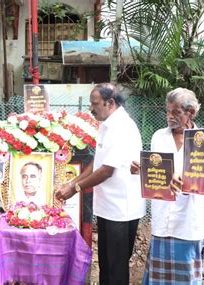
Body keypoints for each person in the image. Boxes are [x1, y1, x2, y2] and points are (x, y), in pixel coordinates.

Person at [55, 83, 146, 285]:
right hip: (107, 208)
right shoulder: (107, 124)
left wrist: (75, 188)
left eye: (95, 104)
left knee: (116, 268)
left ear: (110, 102)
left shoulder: (122, 127)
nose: (91, 108)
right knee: (106, 264)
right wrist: (73, 181)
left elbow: (106, 170)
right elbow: (98, 163)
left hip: (122, 210)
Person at [131, 88, 204, 284]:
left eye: (176, 112)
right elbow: (156, 173)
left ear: (190, 112)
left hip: (187, 221)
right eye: (168, 111)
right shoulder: (159, 137)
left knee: (186, 278)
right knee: (159, 278)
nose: (170, 117)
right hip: (162, 220)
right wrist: (141, 168)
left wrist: (185, 181)